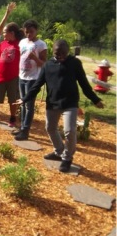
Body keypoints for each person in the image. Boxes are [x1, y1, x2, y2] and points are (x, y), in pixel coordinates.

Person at [14, 40, 104, 172]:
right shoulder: (48, 65)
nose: (60, 55)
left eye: (62, 53)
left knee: (70, 130)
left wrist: (95, 100)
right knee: (50, 128)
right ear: (53, 52)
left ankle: (67, 159)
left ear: (67, 51)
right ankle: (59, 152)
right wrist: (25, 99)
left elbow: (84, 84)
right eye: (57, 53)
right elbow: (37, 85)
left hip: (70, 103)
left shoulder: (74, 63)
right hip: (53, 102)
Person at [14, 19, 47, 140]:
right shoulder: (22, 42)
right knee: (22, 103)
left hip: (33, 78)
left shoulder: (41, 45)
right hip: (22, 76)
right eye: (27, 32)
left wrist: (35, 58)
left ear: (36, 31)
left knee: (29, 105)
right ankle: (22, 127)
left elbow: (44, 64)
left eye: (31, 32)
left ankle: (25, 130)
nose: (29, 34)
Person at [0, 21, 24, 127]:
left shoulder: (20, 45)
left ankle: (12, 118)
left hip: (13, 77)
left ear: (12, 33)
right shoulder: (2, 44)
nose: (3, 34)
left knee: (13, 99)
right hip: (0, 76)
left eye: (5, 32)